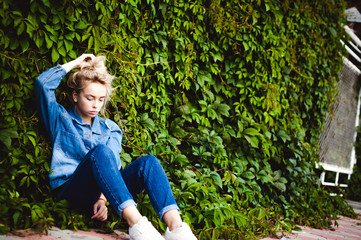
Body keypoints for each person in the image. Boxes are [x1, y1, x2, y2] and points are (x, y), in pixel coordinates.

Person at [35, 54, 197, 240]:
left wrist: (102, 199)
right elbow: (42, 84)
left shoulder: (110, 128)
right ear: (75, 96)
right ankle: (137, 224)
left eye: (101, 99)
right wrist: (76, 63)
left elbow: (110, 166)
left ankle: (177, 228)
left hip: (105, 196)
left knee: (148, 163)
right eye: (90, 98)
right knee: (100, 152)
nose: (96, 105)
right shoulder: (60, 119)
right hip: (71, 192)